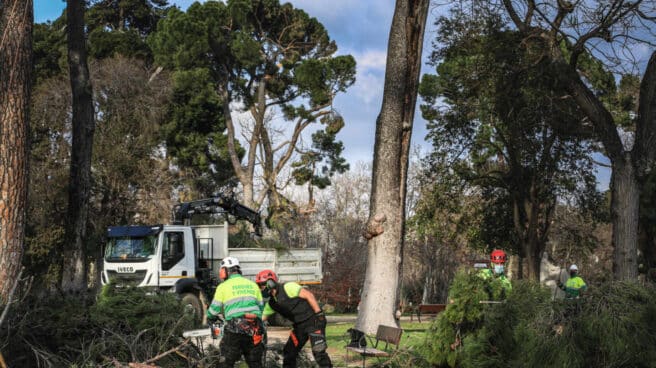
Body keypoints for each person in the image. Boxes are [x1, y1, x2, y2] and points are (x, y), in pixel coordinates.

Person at [256, 269, 332, 368]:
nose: (260, 288)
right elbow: (261, 318)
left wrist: (319, 314)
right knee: (289, 352)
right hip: (299, 327)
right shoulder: (271, 304)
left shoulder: (288, 287)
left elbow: (309, 295)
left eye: (261, 285)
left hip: (314, 321)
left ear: (270, 283)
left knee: (319, 352)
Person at [207, 257, 265, 368]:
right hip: (255, 329)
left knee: (226, 362)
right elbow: (261, 308)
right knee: (255, 363)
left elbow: (214, 310)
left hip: (235, 329)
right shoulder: (252, 285)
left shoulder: (223, 287)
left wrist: (209, 316)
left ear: (225, 271)